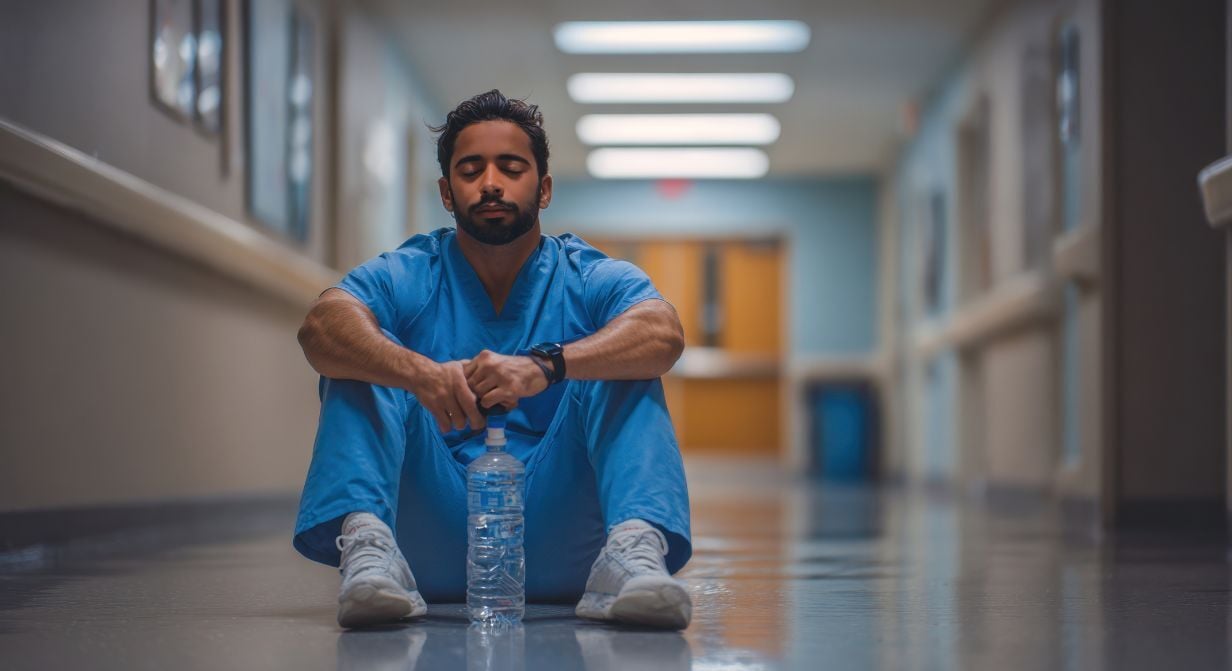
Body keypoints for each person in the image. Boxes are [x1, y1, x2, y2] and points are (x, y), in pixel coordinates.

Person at [292, 90, 693, 630]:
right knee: (363, 356)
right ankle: (368, 549)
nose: (490, 184)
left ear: (544, 188)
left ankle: (634, 549)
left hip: (564, 539)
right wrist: (420, 373)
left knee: (621, 360)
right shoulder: (413, 271)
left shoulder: (586, 274)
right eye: (470, 169)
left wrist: (545, 365)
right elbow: (321, 328)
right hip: (428, 543)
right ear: (446, 191)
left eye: (511, 167)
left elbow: (663, 333)